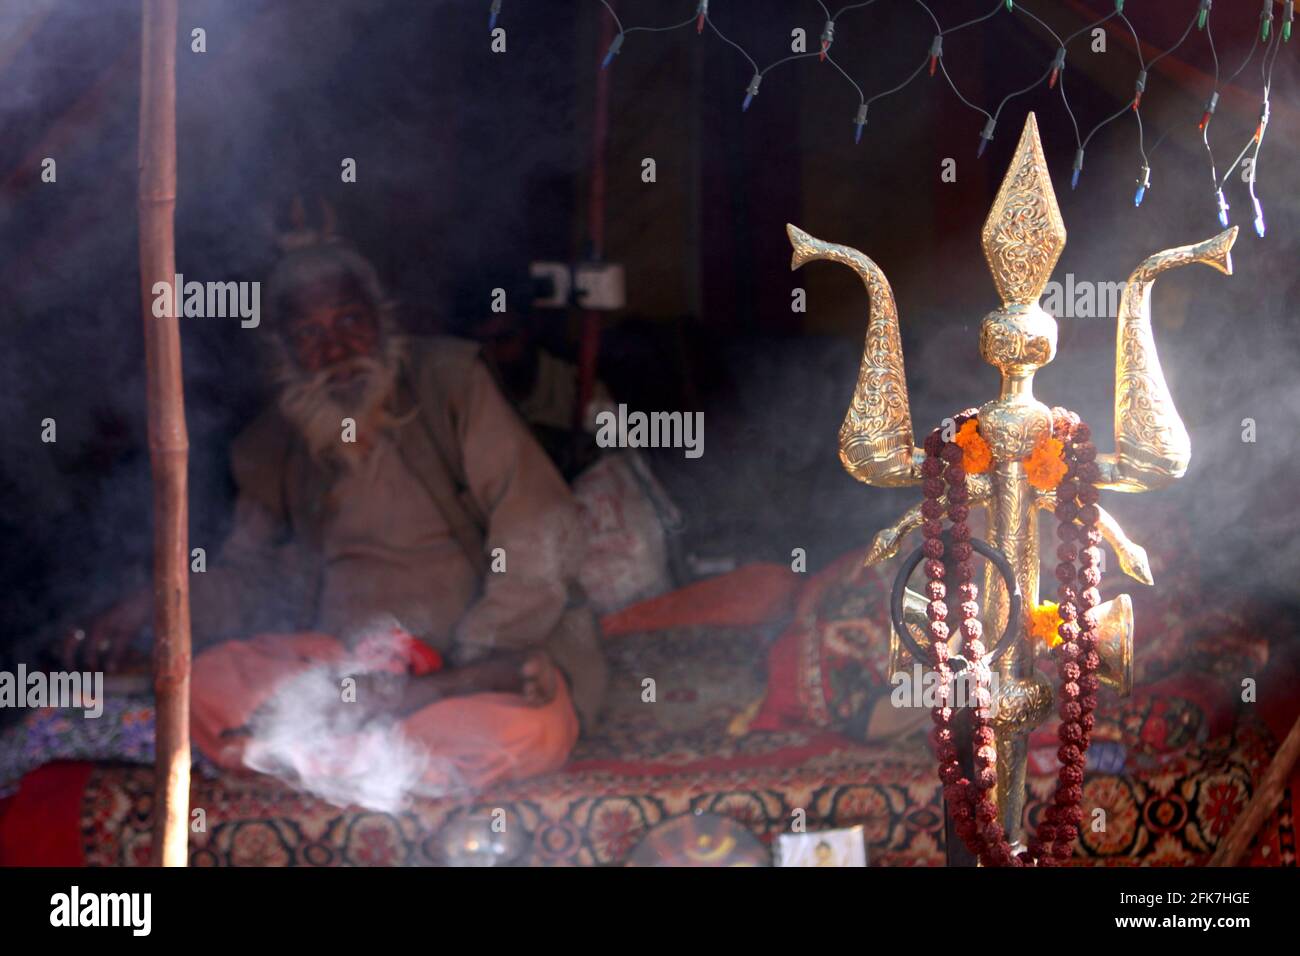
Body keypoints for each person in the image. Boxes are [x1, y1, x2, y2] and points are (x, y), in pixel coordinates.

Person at [68, 235, 607, 793]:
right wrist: (156, 606)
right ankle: (354, 748)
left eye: (352, 321)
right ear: (284, 350)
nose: (338, 350)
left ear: (383, 320)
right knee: (205, 687)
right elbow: (252, 577)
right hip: (341, 674)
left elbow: (537, 523)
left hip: (474, 661)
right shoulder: (270, 442)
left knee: (525, 728)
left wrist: (475, 661)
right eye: (310, 334)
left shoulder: (451, 382)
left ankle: (328, 748)